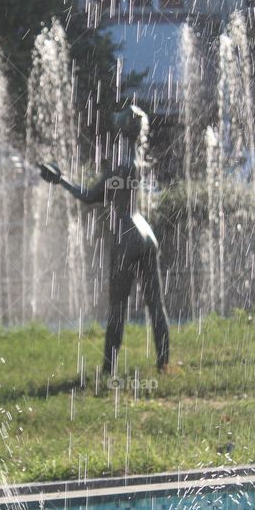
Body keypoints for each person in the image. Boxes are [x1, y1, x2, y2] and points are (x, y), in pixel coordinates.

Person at [38, 105, 169, 373]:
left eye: (121, 118)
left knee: (117, 307)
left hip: (126, 238)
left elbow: (88, 197)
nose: (116, 118)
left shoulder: (118, 170)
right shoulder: (136, 164)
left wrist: (60, 179)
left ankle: (109, 368)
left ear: (125, 128)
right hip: (145, 233)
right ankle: (163, 362)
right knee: (155, 303)